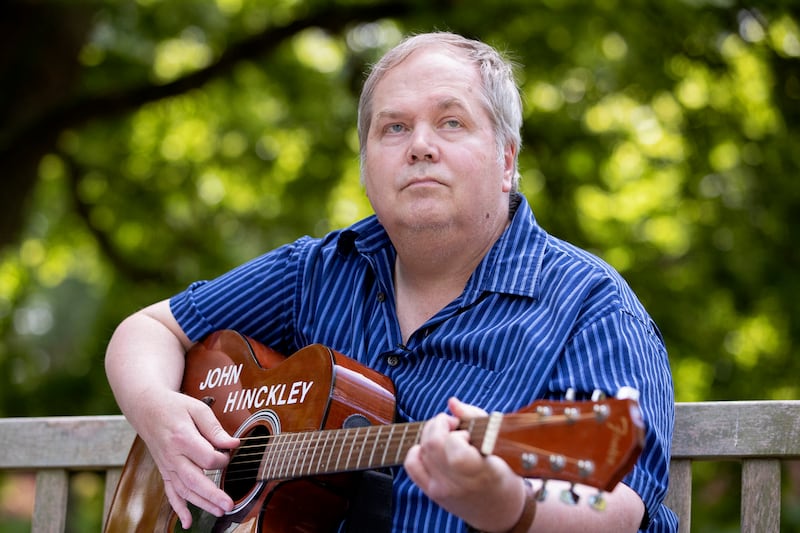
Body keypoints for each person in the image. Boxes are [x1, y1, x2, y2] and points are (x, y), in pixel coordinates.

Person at [105, 31, 676, 532]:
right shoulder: (317, 271)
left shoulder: (590, 304)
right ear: (366, 166)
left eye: (451, 122)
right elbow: (150, 327)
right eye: (394, 127)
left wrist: (509, 507)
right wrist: (157, 410)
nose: (420, 145)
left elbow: (616, 510)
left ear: (507, 160)